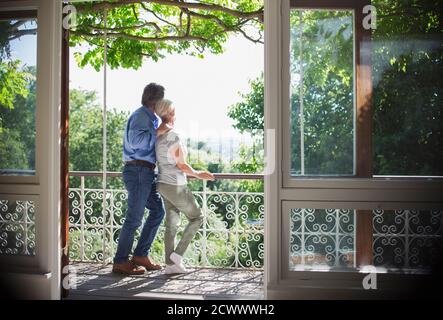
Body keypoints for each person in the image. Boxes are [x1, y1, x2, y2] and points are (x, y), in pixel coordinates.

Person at [155, 99, 215, 274]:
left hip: (162, 184)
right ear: (171, 114)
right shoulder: (174, 136)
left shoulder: (157, 136)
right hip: (176, 185)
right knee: (197, 218)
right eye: (174, 112)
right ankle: (177, 256)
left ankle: (170, 266)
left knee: (172, 224)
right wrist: (198, 173)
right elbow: (182, 165)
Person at [112, 83, 166, 275]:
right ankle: (120, 261)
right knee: (134, 218)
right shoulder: (141, 116)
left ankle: (141, 255)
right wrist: (157, 132)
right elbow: (136, 142)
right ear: (157, 101)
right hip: (138, 171)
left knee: (158, 211)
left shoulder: (150, 118)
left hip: (146, 172)